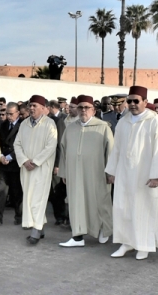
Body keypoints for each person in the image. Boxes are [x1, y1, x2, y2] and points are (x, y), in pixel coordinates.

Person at [105, 86, 158, 260]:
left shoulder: (155, 122)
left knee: (143, 208)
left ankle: (144, 245)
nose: (132, 104)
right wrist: (111, 170)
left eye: (136, 101)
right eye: (129, 101)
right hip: (124, 173)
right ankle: (126, 243)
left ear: (145, 102)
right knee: (123, 207)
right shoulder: (124, 122)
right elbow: (116, 148)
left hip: (145, 175)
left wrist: (156, 175)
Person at [58, 95, 114, 247]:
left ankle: (104, 230)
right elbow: (63, 150)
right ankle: (77, 237)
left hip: (97, 173)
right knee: (76, 203)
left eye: (87, 107)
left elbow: (111, 151)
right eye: (81, 107)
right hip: (74, 173)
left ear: (94, 110)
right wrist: (63, 172)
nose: (83, 110)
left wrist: (111, 172)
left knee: (99, 201)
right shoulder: (71, 128)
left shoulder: (103, 127)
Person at [14, 95, 58, 244]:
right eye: (30, 105)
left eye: (35, 106)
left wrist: (36, 161)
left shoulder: (50, 124)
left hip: (41, 168)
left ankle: (35, 231)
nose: (31, 108)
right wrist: (25, 160)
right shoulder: (24, 124)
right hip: (26, 168)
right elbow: (17, 144)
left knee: (38, 199)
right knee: (29, 198)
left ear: (43, 108)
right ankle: (40, 227)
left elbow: (51, 146)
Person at [0, 102, 24, 225]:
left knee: (16, 192)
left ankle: (19, 218)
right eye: (6, 114)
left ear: (18, 113)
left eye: (11, 114)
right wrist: (0, 156)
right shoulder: (2, 125)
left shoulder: (23, 126)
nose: (8, 116)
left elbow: (23, 145)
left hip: (15, 163)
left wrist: (10, 157)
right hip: (3, 163)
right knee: (0, 191)